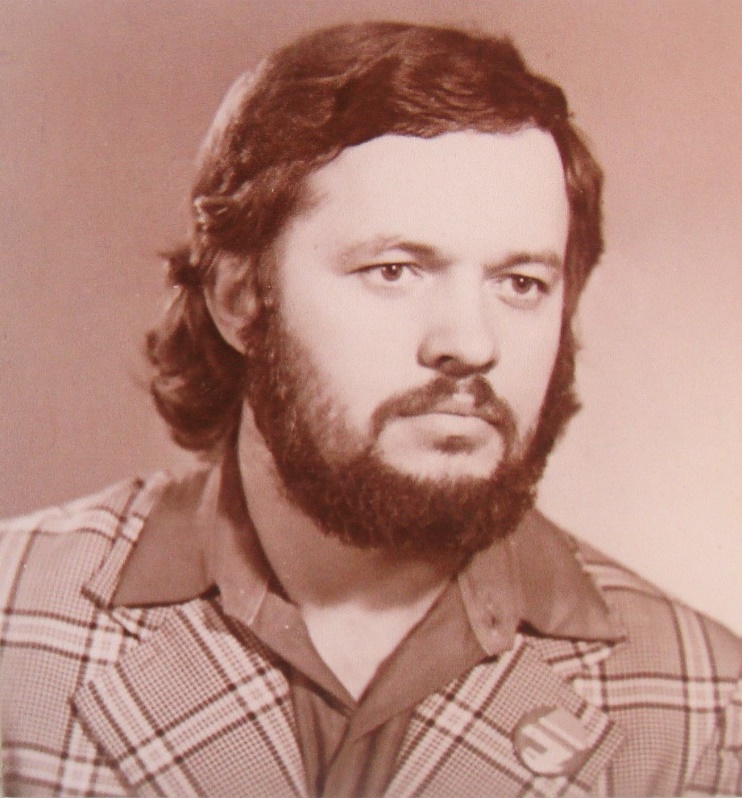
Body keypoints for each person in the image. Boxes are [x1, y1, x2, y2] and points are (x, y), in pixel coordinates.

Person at [0, 20, 739, 798]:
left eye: (520, 284)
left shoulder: (705, 713)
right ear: (239, 298)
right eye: (394, 270)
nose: (471, 344)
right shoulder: (15, 621)